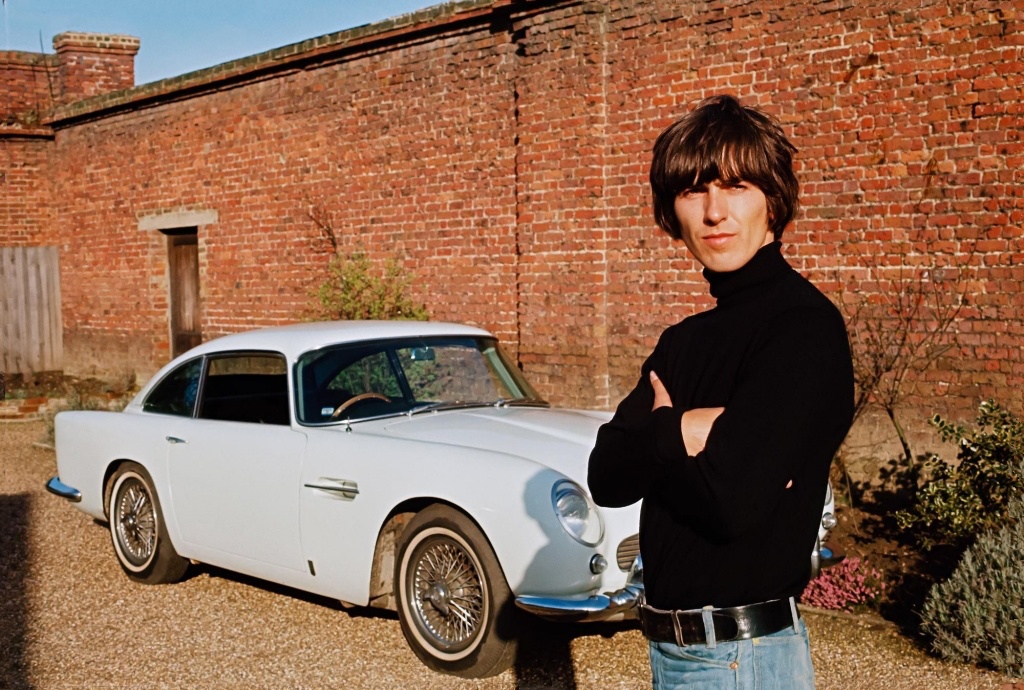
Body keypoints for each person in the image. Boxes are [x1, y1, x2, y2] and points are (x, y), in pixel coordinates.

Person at [588, 94, 854, 689]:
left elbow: (734, 503)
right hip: (672, 653)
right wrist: (687, 430)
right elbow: (606, 475)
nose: (715, 212)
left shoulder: (802, 328)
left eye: (736, 187)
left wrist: (657, 435)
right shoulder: (682, 341)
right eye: (693, 192)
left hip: (741, 658)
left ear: (773, 202)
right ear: (671, 213)